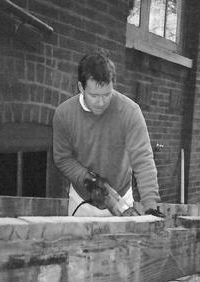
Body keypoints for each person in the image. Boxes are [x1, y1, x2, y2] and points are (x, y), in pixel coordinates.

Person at [53, 49, 163, 217]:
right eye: (94, 95)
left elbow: (143, 160)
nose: (101, 102)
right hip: (82, 200)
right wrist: (91, 181)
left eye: (107, 94)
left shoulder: (129, 111)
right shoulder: (64, 114)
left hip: (122, 198)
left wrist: (151, 205)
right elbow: (62, 158)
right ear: (81, 87)